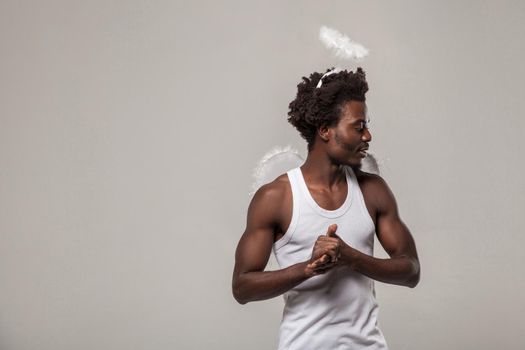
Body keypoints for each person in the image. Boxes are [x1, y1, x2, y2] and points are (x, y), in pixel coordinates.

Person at [232, 67, 420, 350]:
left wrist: (352, 258)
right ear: (325, 130)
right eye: (358, 126)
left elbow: (411, 271)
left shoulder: (373, 191)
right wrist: (306, 268)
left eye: (367, 126)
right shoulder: (276, 197)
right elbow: (242, 287)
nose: (367, 136)